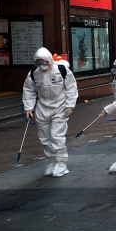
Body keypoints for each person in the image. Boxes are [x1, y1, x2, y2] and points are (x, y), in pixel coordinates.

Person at [22, 47, 78, 177]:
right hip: (42, 107)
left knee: (57, 136)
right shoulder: (34, 73)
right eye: (38, 62)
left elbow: (71, 88)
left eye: (44, 62)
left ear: (49, 61)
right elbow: (29, 90)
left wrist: (70, 106)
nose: (41, 65)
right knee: (45, 137)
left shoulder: (62, 71)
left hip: (60, 106)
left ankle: (61, 163)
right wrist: (29, 107)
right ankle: (52, 160)